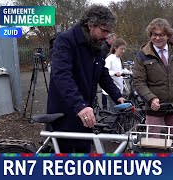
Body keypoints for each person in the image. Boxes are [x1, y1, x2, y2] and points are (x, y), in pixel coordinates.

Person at [47, 4, 126, 153]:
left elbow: (102, 74)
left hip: (85, 114)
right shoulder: (65, 41)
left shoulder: (96, 45)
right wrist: (80, 106)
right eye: (104, 31)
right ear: (91, 25)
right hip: (65, 112)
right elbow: (62, 76)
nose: (106, 36)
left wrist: (118, 96)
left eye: (109, 32)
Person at [104, 38, 127, 110]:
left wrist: (131, 72)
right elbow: (105, 71)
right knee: (115, 112)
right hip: (111, 90)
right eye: (121, 49)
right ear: (115, 48)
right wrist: (114, 73)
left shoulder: (119, 58)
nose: (123, 51)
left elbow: (121, 70)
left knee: (120, 112)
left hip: (119, 90)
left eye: (124, 49)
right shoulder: (110, 58)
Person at [101, 33, 117, 110]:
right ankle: (104, 106)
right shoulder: (104, 48)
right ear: (109, 39)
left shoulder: (111, 48)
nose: (114, 41)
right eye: (113, 40)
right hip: (105, 68)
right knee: (104, 89)